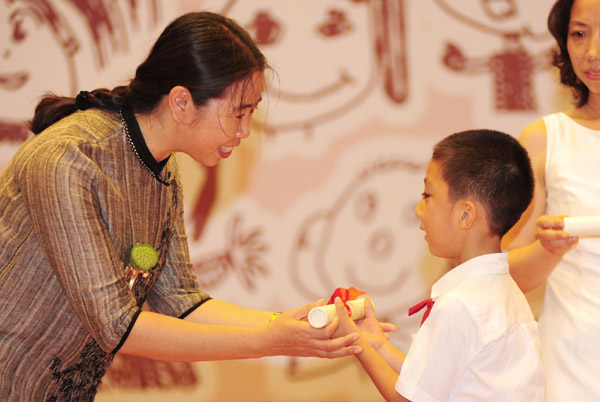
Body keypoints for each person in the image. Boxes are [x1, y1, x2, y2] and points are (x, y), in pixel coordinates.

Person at [0, 11, 364, 401]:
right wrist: (268, 341)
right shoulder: (69, 158)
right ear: (181, 102)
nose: (244, 131)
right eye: (237, 113)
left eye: (251, 113)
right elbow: (116, 325)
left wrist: (285, 323)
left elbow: (180, 301)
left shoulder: (161, 169)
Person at [332, 129, 545, 401]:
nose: (418, 209)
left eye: (427, 195)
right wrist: (379, 346)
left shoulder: (460, 305)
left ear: (466, 214)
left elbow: (408, 399)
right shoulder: (503, 291)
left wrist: (356, 342)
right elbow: (428, 383)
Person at [502, 0, 600, 400]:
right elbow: (504, 274)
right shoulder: (546, 139)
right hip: (575, 362)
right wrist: (548, 251)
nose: (593, 51)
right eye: (579, 33)